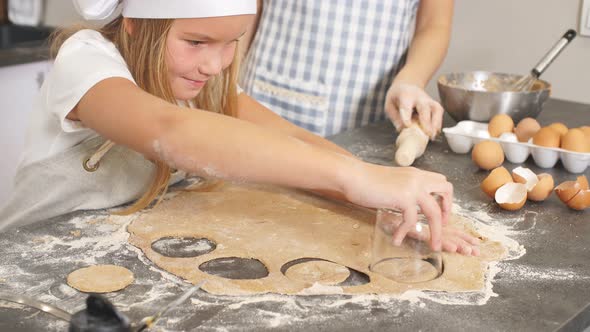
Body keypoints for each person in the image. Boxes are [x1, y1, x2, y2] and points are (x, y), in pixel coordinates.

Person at [0, 0, 478, 255]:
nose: (214, 64)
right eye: (196, 41)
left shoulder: (201, 85)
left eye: (231, 43)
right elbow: (172, 131)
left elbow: (291, 141)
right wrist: (359, 180)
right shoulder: (86, 61)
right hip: (28, 268)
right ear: (134, 24)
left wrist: (377, 195)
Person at [241, 0, 452, 139]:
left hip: (373, 110)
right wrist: (224, 79)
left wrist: (411, 79)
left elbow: (434, 24)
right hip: (270, 95)